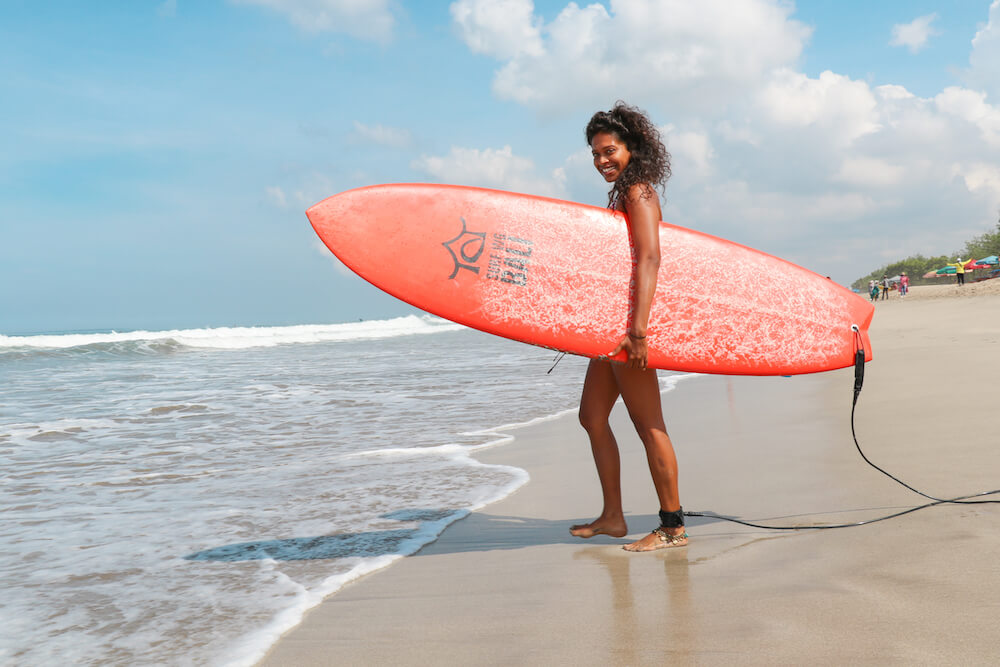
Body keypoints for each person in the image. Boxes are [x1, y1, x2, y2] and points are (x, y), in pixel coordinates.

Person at [569, 102, 686, 552]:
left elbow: (650, 257)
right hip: (611, 329)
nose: (602, 161)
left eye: (609, 150)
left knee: (648, 424)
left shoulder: (638, 191)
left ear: (632, 148)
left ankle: (673, 526)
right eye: (596, 154)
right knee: (591, 417)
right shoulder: (624, 193)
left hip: (630, 331)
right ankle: (613, 516)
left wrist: (638, 331)